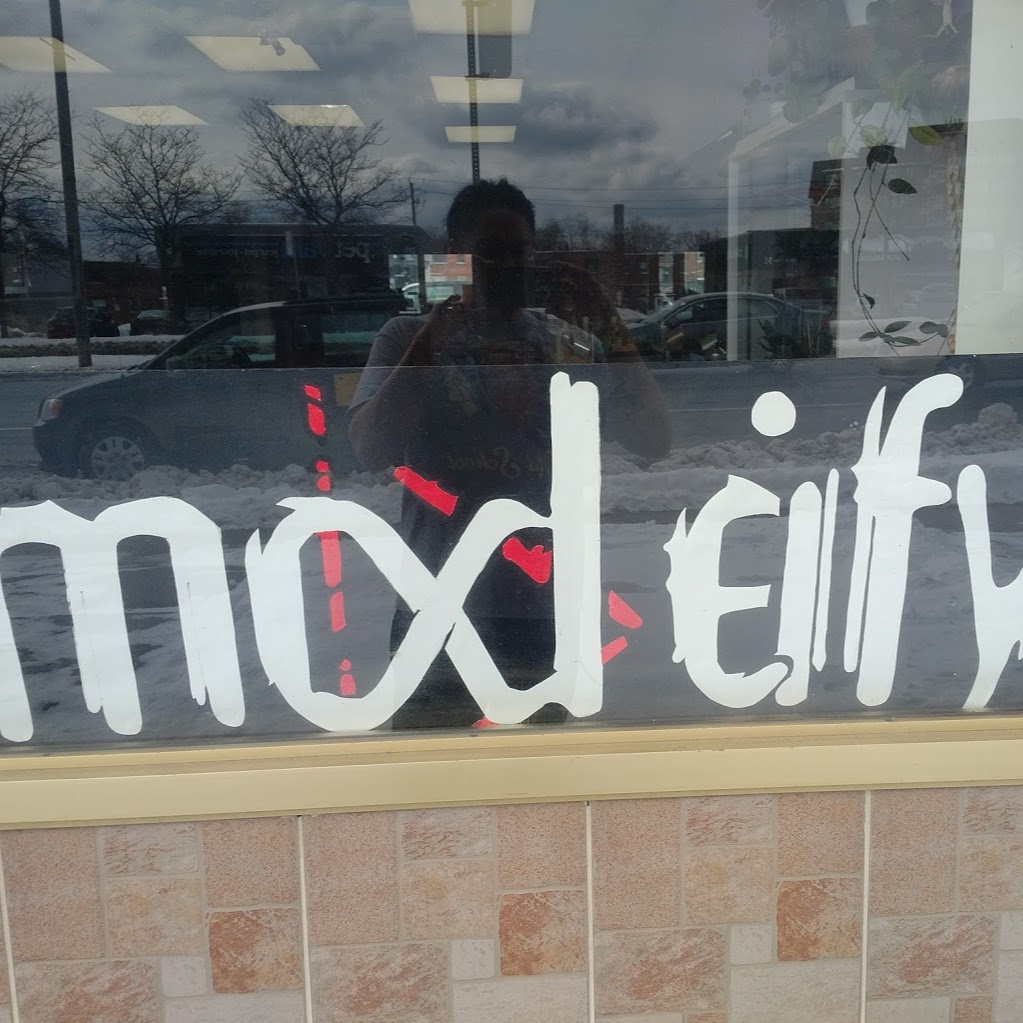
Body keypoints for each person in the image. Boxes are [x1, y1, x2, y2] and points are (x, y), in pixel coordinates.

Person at [349, 178, 670, 729]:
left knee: (535, 771)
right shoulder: (407, 336)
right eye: (489, 253)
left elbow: (653, 439)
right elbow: (369, 448)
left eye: (519, 252)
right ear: (456, 256)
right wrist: (430, 345)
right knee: (430, 768)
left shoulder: (566, 343)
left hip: (538, 604)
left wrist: (607, 320)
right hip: (438, 601)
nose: (506, 268)